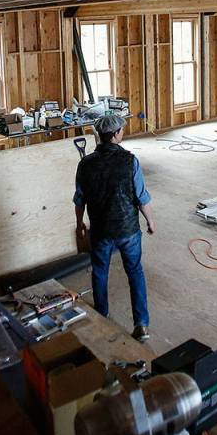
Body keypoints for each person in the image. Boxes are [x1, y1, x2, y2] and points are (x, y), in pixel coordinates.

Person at [73, 113, 155, 341]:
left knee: (100, 272)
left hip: (100, 231)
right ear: (116, 134)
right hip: (128, 229)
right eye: (122, 130)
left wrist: (80, 224)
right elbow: (141, 196)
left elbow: (79, 199)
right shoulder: (130, 160)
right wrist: (150, 220)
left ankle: (102, 315)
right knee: (135, 272)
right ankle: (141, 325)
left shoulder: (85, 164)